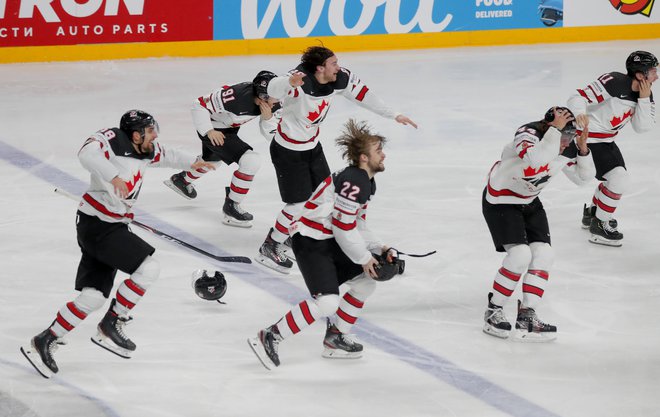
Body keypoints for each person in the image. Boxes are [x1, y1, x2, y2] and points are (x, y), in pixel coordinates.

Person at [20, 110, 216, 378]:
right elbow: (86, 155)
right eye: (150, 131)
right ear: (135, 134)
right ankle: (112, 323)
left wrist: (193, 162)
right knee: (148, 269)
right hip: (99, 226)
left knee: (93, 297)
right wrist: (113, 177)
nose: (155, 135)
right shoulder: (111, 141)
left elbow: (168, 155)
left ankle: (46, 338)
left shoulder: (146, 149)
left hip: (107, 225)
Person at [255, 45, 417, 273]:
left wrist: (394, 114)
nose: (338, 67)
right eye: (333, 63)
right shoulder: (298, 81)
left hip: (313, 146)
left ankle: (295, 233)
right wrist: (289, 84)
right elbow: (272, 87)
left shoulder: (340, 78)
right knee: (299, 203)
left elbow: (364, 95)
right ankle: (270, 246)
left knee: (323, 198)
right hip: (288, 150)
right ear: (319, 68)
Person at [248, 119, 394, 369]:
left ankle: (336, 337)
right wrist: (364, 258)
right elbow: (343, 227)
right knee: (327, 302)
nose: (384, 154)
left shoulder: (365, 181)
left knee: (366, 282)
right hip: (310, 242)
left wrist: (379, 248)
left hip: (327, 241)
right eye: (378, 150)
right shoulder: (354, 181)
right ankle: (270, 336)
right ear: (363, 158)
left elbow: (356, 224)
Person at [482, 107, 595, 342]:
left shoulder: (567, 144)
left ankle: (527, 316)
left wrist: (582, 149)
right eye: (564, 137)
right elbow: (535, 158)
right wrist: (556, 132)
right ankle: (493, 311)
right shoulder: (528, 133)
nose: (566, 144)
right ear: (550, 129)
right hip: (501, 201)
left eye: (570, 137)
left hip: (529, 201)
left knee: (544, 254)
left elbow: (583, 178)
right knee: (521, 255)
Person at [164, 70, 280, 228]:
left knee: (213, 161)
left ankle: (182, 180)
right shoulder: (237, 97)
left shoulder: (272, 101)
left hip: (227, 126)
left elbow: (272, 135)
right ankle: (231, 207)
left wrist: (268, 119)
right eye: (274, 94)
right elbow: (199, 104)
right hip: (213, 128)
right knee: (251, 161)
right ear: (262, 97)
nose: (279, 99)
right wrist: (208, 131)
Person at [567, 50, 657, 246]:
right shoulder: (615, 82)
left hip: (606, 141)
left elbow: (643, 128)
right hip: (586, 139)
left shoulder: (646, 93)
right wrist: (580, 113)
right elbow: (577, 97)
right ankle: (599, 226)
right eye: (652, 71)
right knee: (619, 180)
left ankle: (593, 214)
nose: (656, 75)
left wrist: (643, 99)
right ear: (640, 74)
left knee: (616, 179)